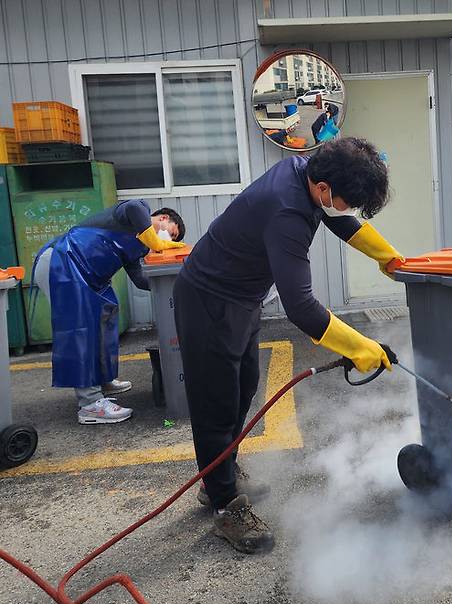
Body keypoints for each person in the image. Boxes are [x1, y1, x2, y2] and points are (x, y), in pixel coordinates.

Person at [173, 137, 403, 554]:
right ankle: (224, 504)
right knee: (217, 405)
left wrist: (387, 256)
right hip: (209, 300)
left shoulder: (310, 173)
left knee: (243, 387)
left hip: (240, 298)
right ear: (323, 189)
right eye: (346, 200)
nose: (347, 209)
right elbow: (301, 308)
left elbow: (339, 218)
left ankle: (219, 471)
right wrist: (359, 345)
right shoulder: (286, 211)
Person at [33, 200, 186, 425]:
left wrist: (175, 280)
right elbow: (134, 209)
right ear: (163, 218)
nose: (168, 240)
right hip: (62, 263)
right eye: (171, 233)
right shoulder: (136, 211)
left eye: (172, 240)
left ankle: (102, 380)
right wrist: (155, 240)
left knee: (106, 317)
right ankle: (90, 404)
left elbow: (142, 280)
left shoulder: (140, 247)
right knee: (82, 329)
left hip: (89, 278)